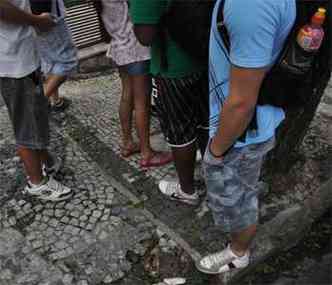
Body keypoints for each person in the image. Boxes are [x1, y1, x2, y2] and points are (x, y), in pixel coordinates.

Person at [196, 0, 296, 274]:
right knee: (246, 186)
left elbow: (241, 103)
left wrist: (215, 151)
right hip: (252, 119)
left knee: (239, 200)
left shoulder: (249, 4)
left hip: (241, 130)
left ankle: (237, 252)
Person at [130, 0, 209, 205]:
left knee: (180, 132)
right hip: (206, 55)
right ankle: (214, 179)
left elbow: (145, 36)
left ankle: (187, 190)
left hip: (172, 68)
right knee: (206, 122)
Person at [0, 0, 72, 201]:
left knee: (34, 115)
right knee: (26, 123)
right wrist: (36, 21)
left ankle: (44, 160)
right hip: (14, 63)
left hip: (23, 57)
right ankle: (37, 182)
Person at [99, 0, 172, 167]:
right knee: (142, 104)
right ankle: (147, 153)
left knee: (127, 96)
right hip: (136, 50)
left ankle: (127, 142)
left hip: (119, 47)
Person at [33, 0, 78, 112]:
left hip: (36, 19)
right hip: (48, 17)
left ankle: (55, 101)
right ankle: (37, 105)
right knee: (67, 61)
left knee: (50, 61)